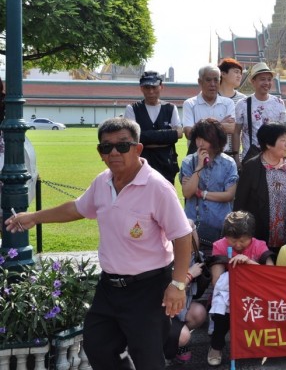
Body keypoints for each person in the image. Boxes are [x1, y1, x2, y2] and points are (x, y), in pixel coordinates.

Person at [5, 118, 192, 370]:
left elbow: (181, 235)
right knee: (98, 347)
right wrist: (34, 217)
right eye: (106, 147)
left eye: (123, 146)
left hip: (148, 289)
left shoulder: (158, 188)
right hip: (109, 287)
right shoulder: (103, 182)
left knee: (148, 358)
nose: (114, 152)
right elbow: (77, 208)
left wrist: (178, 284)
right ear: (100, 153)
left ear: (138, 149)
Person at [207, 212, 274, 366]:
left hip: (255, 293)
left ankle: (257, 345)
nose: (237, 245)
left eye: (243, 241)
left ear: (251, 236)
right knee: (222, 309)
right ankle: (216, 346)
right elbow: (217, 281)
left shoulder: (259, 246)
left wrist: (250, 263)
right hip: (228, 294)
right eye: (233, 240)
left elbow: (271, 274)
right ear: (225, 237)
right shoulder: (220, 246)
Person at [234, 122, 286, 251]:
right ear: (268, 144)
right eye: (282, 140)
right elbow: (240, 203)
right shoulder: (251, 167)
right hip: (258, 237)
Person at [180, 118, 238, 255]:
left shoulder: (228, 163)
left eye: (204, 139)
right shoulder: (189, 162)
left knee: (222, 261)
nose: (200, 143)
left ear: (215, 140)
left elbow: (229, 195)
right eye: (198, 139)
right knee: (194, 262)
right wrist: (199, 167)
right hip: (194, 224)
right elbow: (187, 193)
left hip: (220, 223)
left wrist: (201, 193)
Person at [124, 71, 182, 184]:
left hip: (166, 164)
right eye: (147, 87)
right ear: (141, 88)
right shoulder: (132, 108)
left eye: (154, 87)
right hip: (141, 164)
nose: (151, 91)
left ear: (161, 87)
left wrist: (145, 137)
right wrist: (168, 137)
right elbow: (132, 137)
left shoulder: (170, 108)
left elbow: (179, 133)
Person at [164, 220, 207, 364]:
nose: (191, 239)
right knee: (183, 337)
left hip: (180, 307)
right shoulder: (163, 258)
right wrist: (189, 276)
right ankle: (166, 346)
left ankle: (174, 342)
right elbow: (167, 290)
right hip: (162, 311)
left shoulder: (195, 256)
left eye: (193, 234)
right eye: (185, 236)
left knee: (199, 313)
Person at [232, 62, 286, 166]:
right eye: (262, 79)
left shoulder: (279, 103)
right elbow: (236, 132)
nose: (266, 82)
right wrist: (236, 157)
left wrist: (283, 156)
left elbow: (283, 134)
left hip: (274, 157)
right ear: (253, 81)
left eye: (269, 79)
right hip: (250, 158)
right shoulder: (243, 104)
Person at [183, 65, 236, 156]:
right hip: (197, 155)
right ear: (200, 82)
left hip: (222, 155)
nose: (213, 84)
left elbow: (231, 128)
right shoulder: (190, 104)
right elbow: (189, 133)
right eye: (208, 80)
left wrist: (200, 129)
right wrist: (220, 125)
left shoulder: (228, 103)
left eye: (216, 80)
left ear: (220, 82)